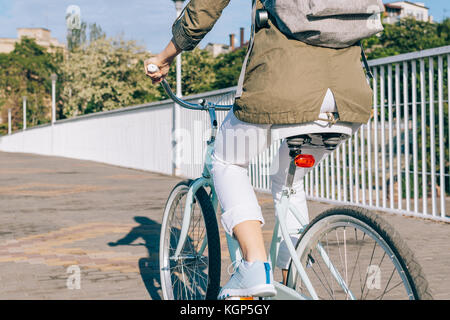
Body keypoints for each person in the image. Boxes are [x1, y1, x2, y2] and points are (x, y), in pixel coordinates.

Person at [145, 0, 373, 300]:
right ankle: (293, 273)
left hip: (283, 83)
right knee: (287, 179)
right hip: (350, 95)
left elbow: (206, 7)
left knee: (226, 160)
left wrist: (164, 57)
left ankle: (254, 266)